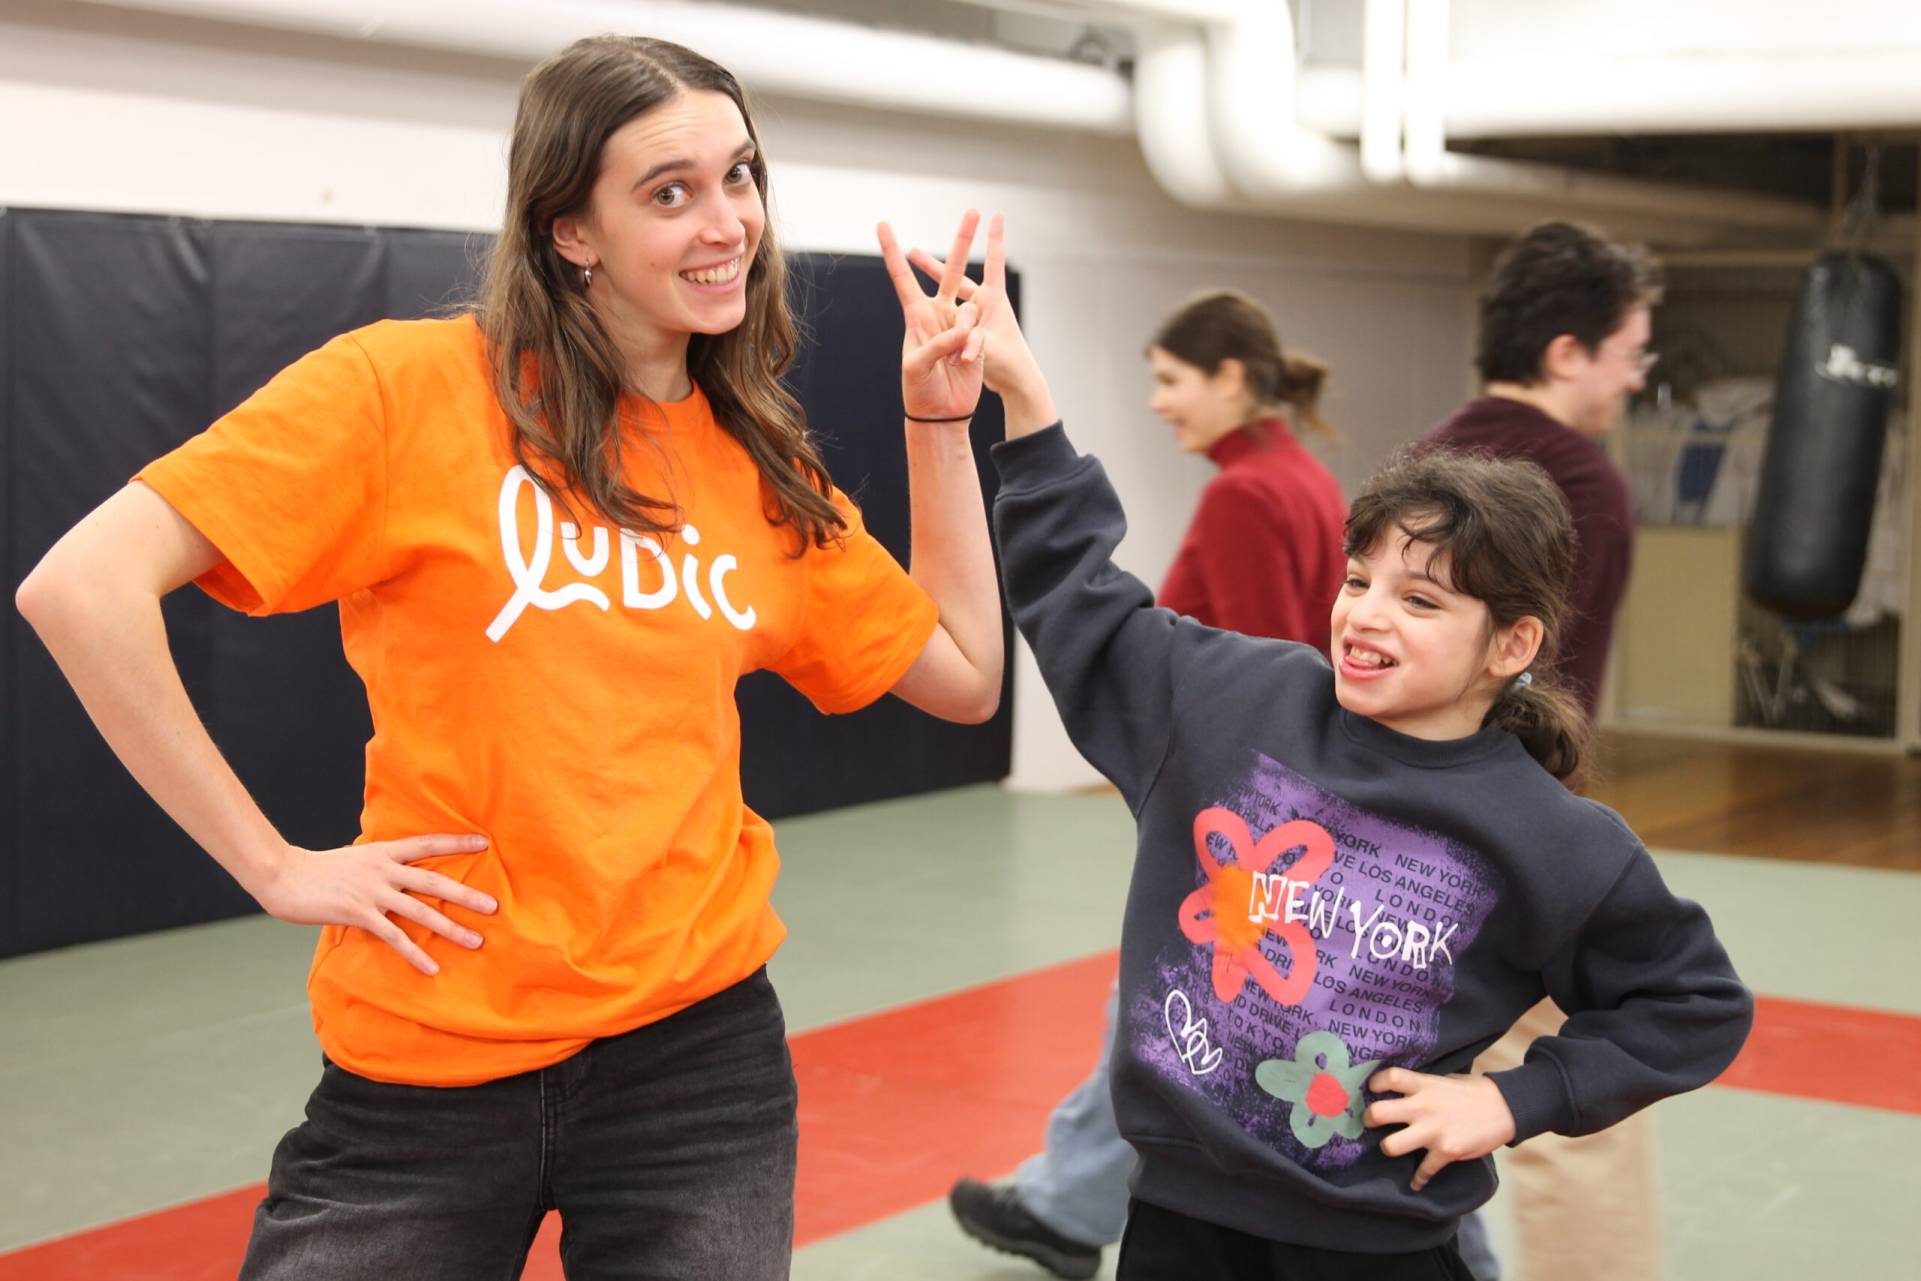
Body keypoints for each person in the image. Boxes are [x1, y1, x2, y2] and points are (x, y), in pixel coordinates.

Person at [14, 36, 1007, 1281]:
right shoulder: (404, 391)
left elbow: (966, 674)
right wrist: (269, 865)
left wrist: (936, 418)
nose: (728, 224)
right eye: (669, 191)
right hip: (431, 1061)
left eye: (739, 176)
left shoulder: (758, 472)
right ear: (569, 232)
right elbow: (79, 588)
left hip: (695, 1059)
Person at [915, 254, 1750, 1280]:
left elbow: (1692, 1002)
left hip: (1377, 1250)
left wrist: (1506, 1099)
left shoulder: (1553, 837)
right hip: (1180, 1224)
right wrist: (1022, 397)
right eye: (1360, 580)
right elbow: (1079, 597)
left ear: (1512, 646)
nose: (1365, 615)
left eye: (1421, 600)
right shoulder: (1231, 702)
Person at [947, 289, 1345, 1279]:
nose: (1161, 403)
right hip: (1278, 814)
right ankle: (1066, 1202)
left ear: (1231, 381)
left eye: (1172, 381)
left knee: (1167, 1015)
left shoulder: (1247, 495)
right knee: (1158, 1014)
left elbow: (1258, 671)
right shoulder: (1301, 479)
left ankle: (1067, 1204)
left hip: (1246, 821)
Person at [1423, 219, 1664, 1281]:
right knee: (1586, 1102)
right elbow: (1543, 701)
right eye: (1629, 355)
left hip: (1373, 826)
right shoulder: (1585, 486)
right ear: (1568, 353)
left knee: (1388, 1089)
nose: (1634, 380)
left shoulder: (1424, 461)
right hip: (1508, 837)